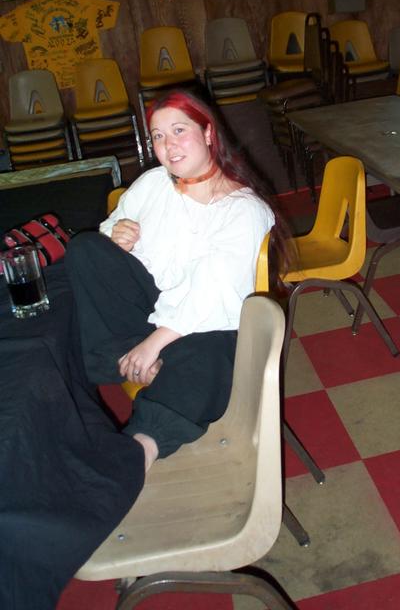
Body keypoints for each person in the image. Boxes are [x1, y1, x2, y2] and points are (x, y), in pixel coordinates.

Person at [65, 90, 277, 472]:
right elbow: (112, 228)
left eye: (179, 130)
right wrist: (117, 234)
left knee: (212, 352)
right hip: (152, 311)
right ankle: (125, 358)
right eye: (158, 136)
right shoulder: (154, 183)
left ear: (208, 133)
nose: (168, 145)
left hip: (206, 324)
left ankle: (142, 447)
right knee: (86, 249)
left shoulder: (243, 210)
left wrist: (155, 342)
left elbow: (213, 294)